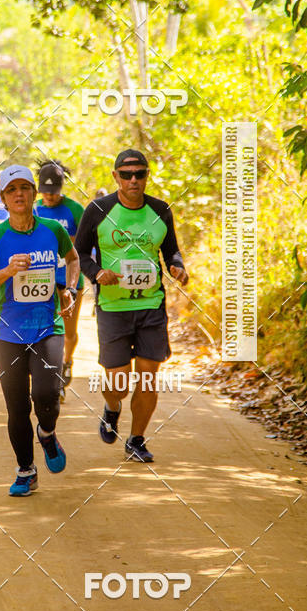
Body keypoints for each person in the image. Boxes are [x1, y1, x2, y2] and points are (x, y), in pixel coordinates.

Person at [0, 165, 79, 496]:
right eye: (11, 190)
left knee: (46, 395)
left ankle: (46, 433)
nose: (19, 194)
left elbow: (73, 259)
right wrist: (6, 271)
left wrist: (70, 288)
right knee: (17, 407)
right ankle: (26, 470)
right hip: (6, 333)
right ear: (3, 199)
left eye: (24, 188)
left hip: (47, 327)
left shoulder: (53, 230)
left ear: (34, 193)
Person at [74, 149, 188, 462]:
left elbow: (172, 251)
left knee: (148, 377)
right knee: (119, 383)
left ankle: (137, 440)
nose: (133, 180)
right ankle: (112, 407)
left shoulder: (160, 210)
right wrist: (97, 273)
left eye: (140, 174)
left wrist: (178, 267)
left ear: (147, 176)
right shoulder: (99, 210)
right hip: (113, 308)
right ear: (116, 177)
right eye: (126, 175)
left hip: (151, 305)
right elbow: (78, 253)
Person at [34, 160, 85, 400]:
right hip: (41, 279)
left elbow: (86, 244)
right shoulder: (34, 210)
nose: (49, 196)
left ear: (62, 188)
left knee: (68, 329)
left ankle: (67, 362)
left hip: (70, 279)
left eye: (54, 192)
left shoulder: (75, 210)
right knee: (43, 329)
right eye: (45, 191)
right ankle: (50, 374)